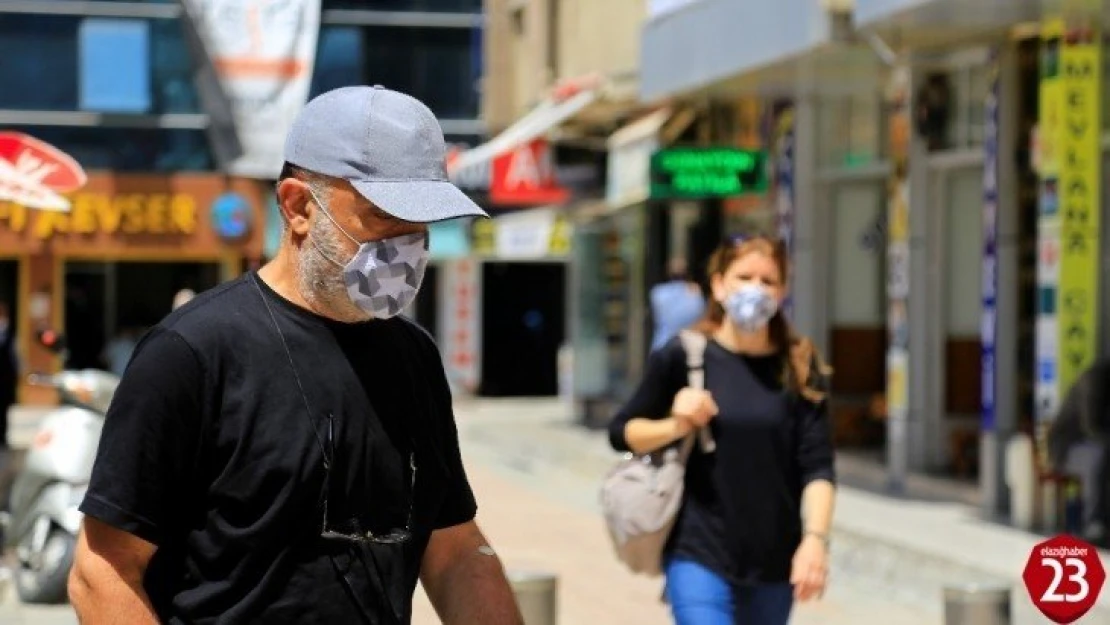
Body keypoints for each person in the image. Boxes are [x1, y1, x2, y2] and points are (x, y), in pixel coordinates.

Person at [68, 86, 523, 625]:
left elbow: (453, 551)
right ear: (298, 205)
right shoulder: (191, 353)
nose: (408, 246)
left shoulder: (414, 358)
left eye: (422, 225)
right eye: (384, 217)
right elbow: (102, 571)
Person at [609, 234, 837, 625]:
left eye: (768, 281)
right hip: (698, 552)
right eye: (744, 276)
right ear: (718, 284)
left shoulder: (800, 366)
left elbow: (817, 467)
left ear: (783, 290)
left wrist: (815, 541)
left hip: (774, 560)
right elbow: (622, 431)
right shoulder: (684, 355)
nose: (756, 289)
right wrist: (677, 423)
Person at [649, 257, 706, 353]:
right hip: (687, 347)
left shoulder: (658, 292)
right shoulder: (694, 293)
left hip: (661, 345)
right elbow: (701, 314)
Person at [0, 301, 15, 449]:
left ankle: (3, 437)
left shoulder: (10, 334)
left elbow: (15, 356)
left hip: (5, 379)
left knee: (4, 410)